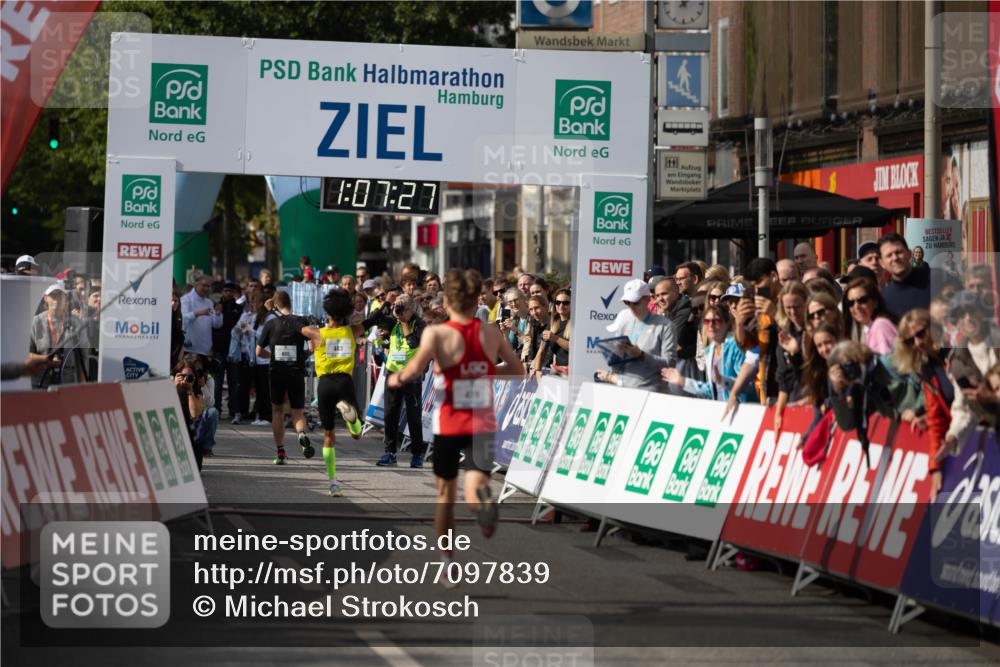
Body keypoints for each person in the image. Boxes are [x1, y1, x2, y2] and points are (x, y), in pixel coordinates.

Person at [386, 268, 524, 556]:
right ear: (477, 302)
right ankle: (482, 503)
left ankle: (447, 562)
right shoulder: (490, 332)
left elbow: (415, 368)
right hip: (481, 423)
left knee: (445, 498)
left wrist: (397, 378)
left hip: (448, 425)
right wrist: (485, 371)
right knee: (475, 487)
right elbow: (517, 369)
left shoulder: (437, 333)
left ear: (447, 302)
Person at [301, 290, 364, 496]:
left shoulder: (316, 333)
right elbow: (371, 321)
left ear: (327, 312)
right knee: (356, 434)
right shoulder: (353, 331)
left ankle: (334, 483)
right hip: (345, 382)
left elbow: (297, 327)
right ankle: (349, 415)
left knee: (328, 434)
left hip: (325, 384)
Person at [889, 309, 954, 499]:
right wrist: (935, 468)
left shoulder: (959, 350)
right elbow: (936, 420)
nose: (918, 343)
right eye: (910, 340)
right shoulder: (927, 370)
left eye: (921, 334)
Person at [255, 290, 314, 465]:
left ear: (275, 304)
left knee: (277, 411)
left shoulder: (271, 324)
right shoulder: (301, 322)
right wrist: (300, 356)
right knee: (298, 412)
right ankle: (302, 434)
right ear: (290, 303)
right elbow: (311, 347)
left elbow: (258, 352)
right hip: (296, 370)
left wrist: (272, 356)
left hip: (277, 371)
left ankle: (280, 452)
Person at [661, 304, 757, 404]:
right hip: (721, 411)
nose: (711, 325)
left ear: (727, 323)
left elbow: (748, 386)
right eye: (707, 321)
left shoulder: (736, 347)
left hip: (744, 411)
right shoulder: (709, 351)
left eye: (716, 321)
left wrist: (724, 381)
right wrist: (683, 381)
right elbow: (711, 390)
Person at [596, 279, 676, 391]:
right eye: (627, 302)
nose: (631, 306)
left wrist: (641, 355)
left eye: (635, 302)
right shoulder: (624, 318)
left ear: (648, 299)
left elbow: (669, 365)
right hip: (623, 390)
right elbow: (619, 362)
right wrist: (612, 355)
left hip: (651, 393)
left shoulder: (665, 325)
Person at [378, 294, 428, 468]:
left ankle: (416, 455)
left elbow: (414, 343)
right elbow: (374, 319)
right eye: (397, 307)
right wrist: (388, 305)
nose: (400, 311)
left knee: (414, 416)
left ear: (412, 309)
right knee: (390, 414)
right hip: (393, 372)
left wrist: (405, 322)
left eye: (404, 308)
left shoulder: (419, 324)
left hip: (412, 375)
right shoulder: (393, 321)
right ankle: (389, 452)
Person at [29, 283, 89, 387]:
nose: (56, 299)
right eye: (53, 295)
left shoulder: (76, 323)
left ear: (66, 298)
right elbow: (26, 354)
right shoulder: (35, 322)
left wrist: (82, 385)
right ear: (45, 298)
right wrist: (45, 359)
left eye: (60, 295)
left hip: (68, 383)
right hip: (41, 383)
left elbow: (83, 357)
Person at [879, 233, 933, 319]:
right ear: (882, 263)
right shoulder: (883, 299)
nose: (895, 258)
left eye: (898, 252)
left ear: (909, 254)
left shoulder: (936, 278)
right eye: (889, 255)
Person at [211, 281, 244, 419]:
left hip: (234, 350)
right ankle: (217, 410)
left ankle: (233, 411)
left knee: (233, 382)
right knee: (217, 383)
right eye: (226, 291)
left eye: (231, 291)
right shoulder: (216, 306)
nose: (228, 293)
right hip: (218, 348)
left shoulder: (239, 308)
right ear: (222, 292)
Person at [844, 277, 897, 355]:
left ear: (875, 302)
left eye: (862, 300)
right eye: (850, 303)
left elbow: (888, 363)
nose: (856, 307)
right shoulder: (869, 327)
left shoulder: (880, 325)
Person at [181, 276, 222, 359]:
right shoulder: (186, 299)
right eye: (203, 285)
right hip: (190, 348)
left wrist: (218, 314)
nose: (206, 288)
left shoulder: (209, 302)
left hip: (205, 349)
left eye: (208, 286)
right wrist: (198, 313)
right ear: (196, 284)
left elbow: (216, 325)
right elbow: (184, 318)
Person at [175, 362, 206, 470]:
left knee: (195, 469)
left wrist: (190, 391)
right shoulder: (169, 389)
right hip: (174, 432)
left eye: (190, 377)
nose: (186, 379)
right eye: (183, 376)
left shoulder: (196, 391)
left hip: (191, 436)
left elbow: (195, 414)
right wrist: (175, 388)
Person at [537, 288, 571, 373]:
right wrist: (537, 369)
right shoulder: (553, 323)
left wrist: (556, 339)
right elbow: (541, 350)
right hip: (556, 370)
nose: (561, 306)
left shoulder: (576, 323)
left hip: (571, 372)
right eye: (558, 302)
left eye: (565, 303)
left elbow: (575, 349)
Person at [522, 294, 550, 375]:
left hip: (546, 368)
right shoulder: (535, 324)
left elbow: (549, 353)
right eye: (531, 309)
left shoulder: (553, 324)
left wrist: (536, 364)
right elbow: (531, 348)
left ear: (545, 307)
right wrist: (528, 362)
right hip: (535, 367)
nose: (534, 312)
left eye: (537, 308)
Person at [498, 288, 530, 356]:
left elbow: (529, 343)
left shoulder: (531, 317)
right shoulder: (515, 320)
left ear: (523, 299)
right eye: (510, 302)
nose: (514, 304)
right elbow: (509, 350)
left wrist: (515, 329)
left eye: (516, 300)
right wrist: (505, 333)